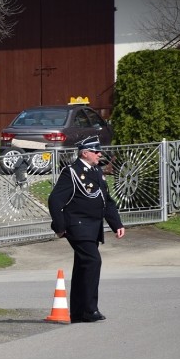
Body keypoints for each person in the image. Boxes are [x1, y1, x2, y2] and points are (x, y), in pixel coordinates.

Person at [48, 136, 125, 323]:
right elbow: (55, 200)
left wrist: (117, 224)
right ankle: (90, 310)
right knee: (93, 262)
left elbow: (106, 201)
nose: (99, 154)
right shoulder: (72, 173)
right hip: (78, 226)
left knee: (83, 267)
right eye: (96, 151)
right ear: (85, 153)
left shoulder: (97, 171)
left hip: (93, 228)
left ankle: (78, 312)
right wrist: (59, 227)